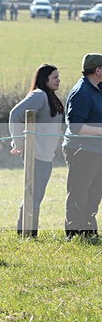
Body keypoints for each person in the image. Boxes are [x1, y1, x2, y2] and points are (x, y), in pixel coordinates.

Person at [8, 64, 64, 237]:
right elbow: (15, 114)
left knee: (36, 195)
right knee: (33, 194)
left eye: (58, 77)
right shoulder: (39, 95)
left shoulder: (50, 97)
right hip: (36, 155)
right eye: (54, 77)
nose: (58, 80)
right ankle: (26, 233)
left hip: (46, 155)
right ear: (44, 79)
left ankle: (28, 232)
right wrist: (19, 143)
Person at [63, 53, 102, 239]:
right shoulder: (82, 92)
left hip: (96, 151)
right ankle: (74, 233)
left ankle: (88, 231)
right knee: (79, 192)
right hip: (81, 150)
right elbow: (76, 126)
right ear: (98, 70)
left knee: (95, 192)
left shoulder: (98, 89)